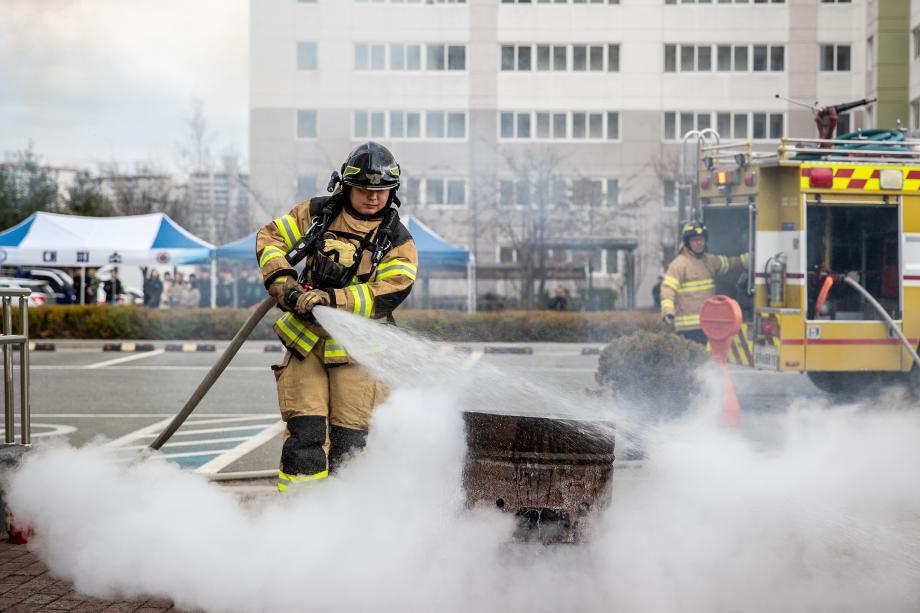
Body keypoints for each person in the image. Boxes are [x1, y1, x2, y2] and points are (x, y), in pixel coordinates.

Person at [257, 142, 418, 493]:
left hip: (360, 353)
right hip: (306, 345)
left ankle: (347, 516)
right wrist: (285, 285)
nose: (373, 197)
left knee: (350, 443)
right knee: (305, 436)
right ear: (345, 186)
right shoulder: (318, 213)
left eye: (382, 190)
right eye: (363, 189)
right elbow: (270, 238)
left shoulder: (397, 240)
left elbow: (391, 289)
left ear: (393, 191)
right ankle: (300, 512)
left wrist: (332, 299)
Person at [660, 220, 749, 345]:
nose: (699, 243)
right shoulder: (678, 265)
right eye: (695, 240)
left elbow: (731, 263)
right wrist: (668, 310)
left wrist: (752, 258)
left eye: (701, 239)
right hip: (687, 329)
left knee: (707, 357)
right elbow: (668, 289)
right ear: (687, 242)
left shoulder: (710, 261)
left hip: (708, 325)